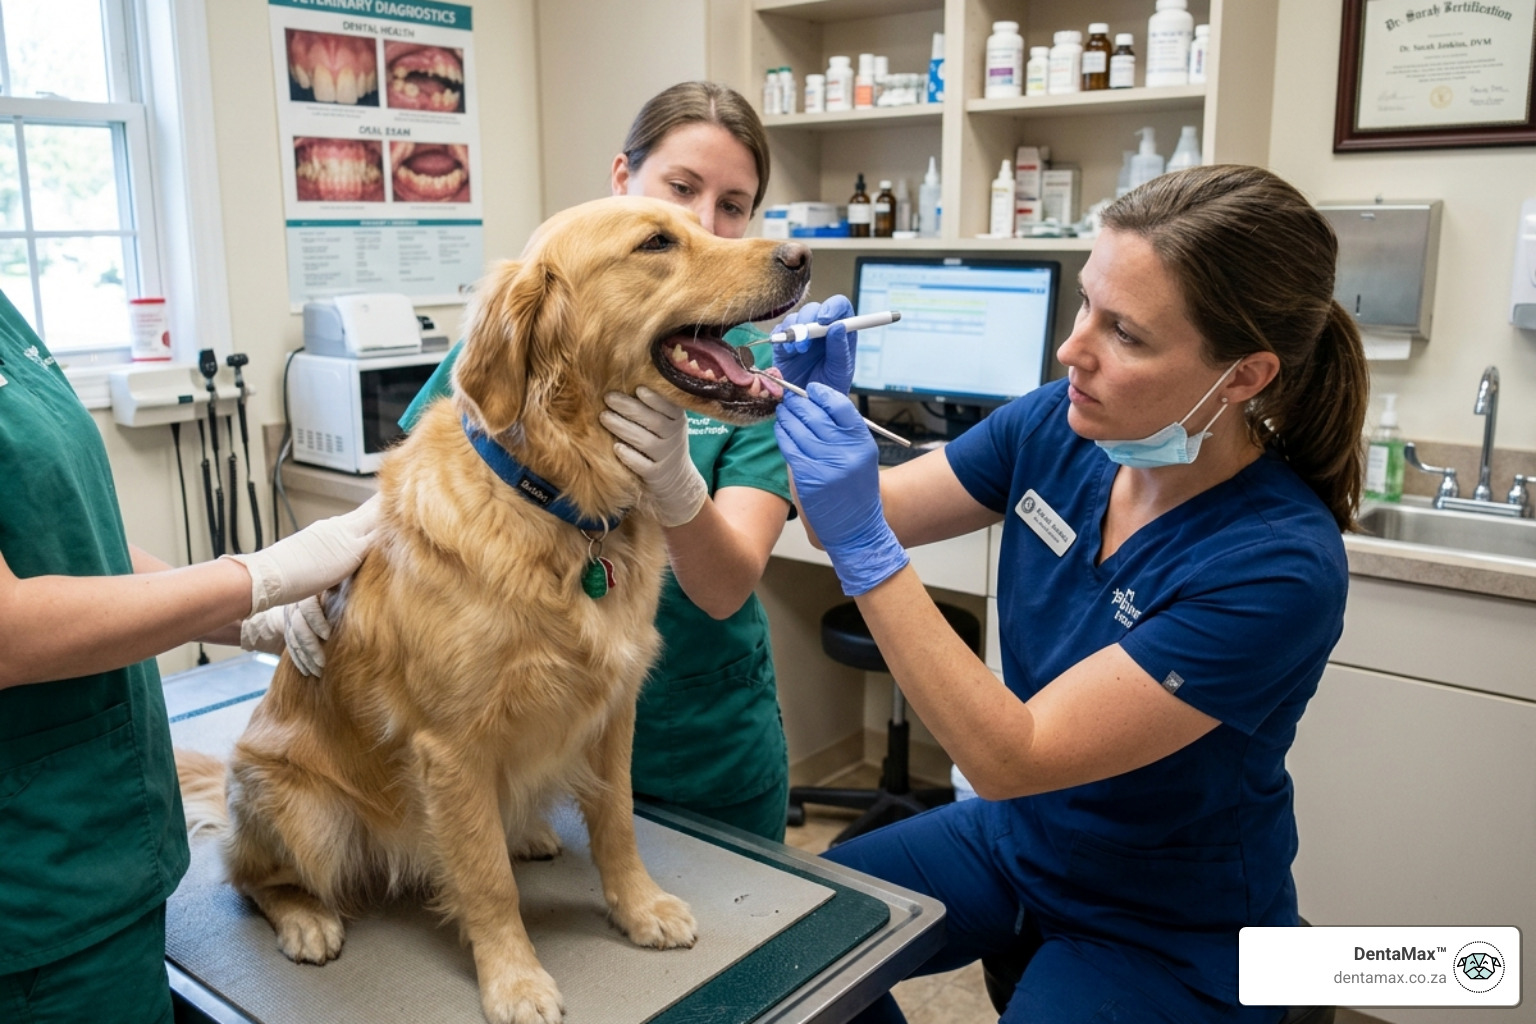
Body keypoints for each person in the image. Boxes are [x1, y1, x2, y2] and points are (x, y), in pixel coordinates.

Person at [769, 165, 1369, 1023]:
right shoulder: (1061, 422)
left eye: (1124, 332)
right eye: (1086, 303)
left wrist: (864, 540)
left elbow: (1012, 755)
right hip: (1024, 841)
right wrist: (814, 405)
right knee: (788, 941)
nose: (1071, 348)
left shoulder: (1276, 565)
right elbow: (855, 519)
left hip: (1170, 925)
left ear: (1242, 377)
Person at [384, 81, 836, 841]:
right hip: (532, 767)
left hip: (702, 743)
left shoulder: (745, 370)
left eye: (733, 205)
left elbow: (726, 588)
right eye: (680, 192)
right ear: (623, 181)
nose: (704, 223)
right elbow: (421, 480)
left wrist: (675, 487)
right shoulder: (524, 329)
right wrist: (314, 575)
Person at [0, 289, 381, 1023]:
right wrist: (257, 577)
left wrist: (254, 617)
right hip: (28, 891)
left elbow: (81, 546)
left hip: (100, 830)